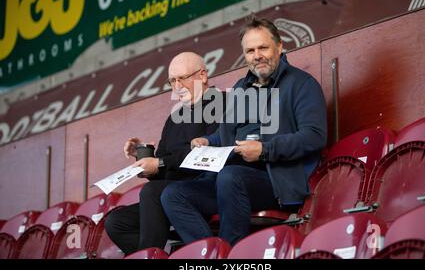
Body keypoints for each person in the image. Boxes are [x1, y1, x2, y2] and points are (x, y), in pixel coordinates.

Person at [160, 17, 327, 246]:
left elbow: (314, 136)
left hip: (278, 180)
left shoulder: (302, 84)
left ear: (279, 46)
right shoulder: (241, 88)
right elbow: (226, 134)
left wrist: (265, 150)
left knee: (230, 177)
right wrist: (208, 141)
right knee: (173, 194)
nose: (256, 55)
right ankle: (215, 254)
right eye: (249, 51)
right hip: (232, 180)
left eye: (263, 48)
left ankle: (232, 256)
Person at [104, 52, 222, 255]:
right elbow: (163, 171)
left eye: (182, 79)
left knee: (153, 192)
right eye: (172, 81)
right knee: (116, 222)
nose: (177, 86)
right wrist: (143, 160)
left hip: (209, 187)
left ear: (202, 75)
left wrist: (159, 163)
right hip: (172, 191)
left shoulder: (222, 103)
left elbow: (205, 153)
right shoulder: (174, 119)